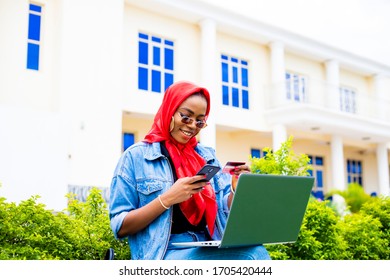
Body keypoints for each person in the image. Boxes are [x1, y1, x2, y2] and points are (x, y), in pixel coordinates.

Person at [109, 80, 271, 260]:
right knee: (253, 257)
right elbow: (120, 226)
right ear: (170, 111)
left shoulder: (206, 155)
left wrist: (236, 189)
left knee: (255, 251)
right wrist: (168, 198)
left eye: (200, 121)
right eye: (186, 117)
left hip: (207, 243)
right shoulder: (135, 157)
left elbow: (224, 211)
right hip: (163, 253)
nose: (193, 125)